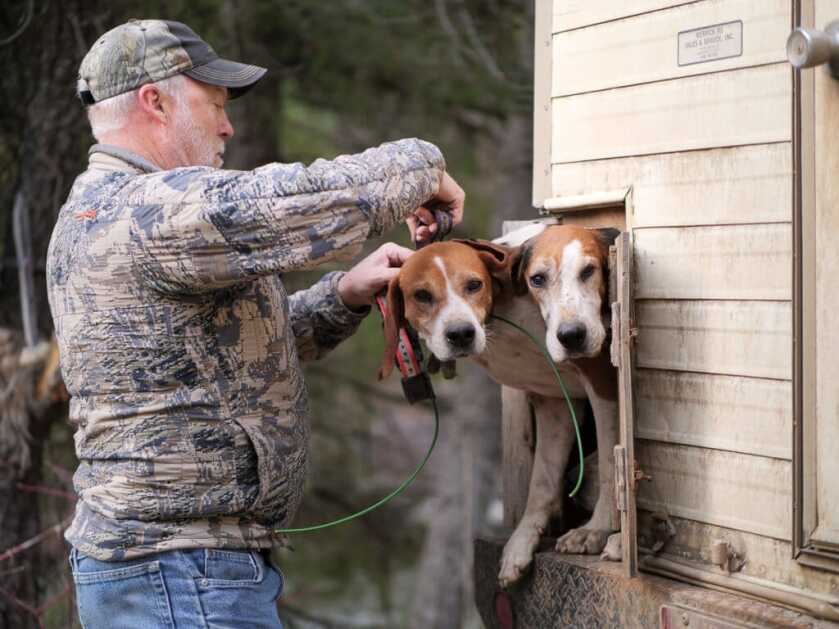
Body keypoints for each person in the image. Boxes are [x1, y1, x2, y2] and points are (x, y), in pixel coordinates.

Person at [46, 19, 464, 628]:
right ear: (155, 101)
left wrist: (343, 295)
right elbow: (296, 198)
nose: (228, 124)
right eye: (214, 103)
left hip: (176, 572)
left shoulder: (98, 210)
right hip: (183, 577)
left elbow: (218, 358)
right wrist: (423, 168)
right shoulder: (149, 209)